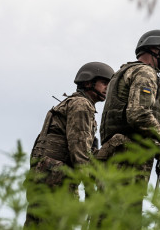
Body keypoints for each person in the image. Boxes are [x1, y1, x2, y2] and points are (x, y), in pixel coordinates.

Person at [98, 29, 160, 225]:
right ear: (154, 48)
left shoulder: (123, 71)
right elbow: (139, 114)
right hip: (129, 158)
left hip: (114, 155)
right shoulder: (145, 72)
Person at [24, 61, 114, 227]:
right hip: (58, 181)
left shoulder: (71, 103)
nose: (108, 88)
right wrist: (90, 187)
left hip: (44, 177)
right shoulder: (81, 105)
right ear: (89, 82)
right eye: (104, 83)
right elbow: (79, 149)